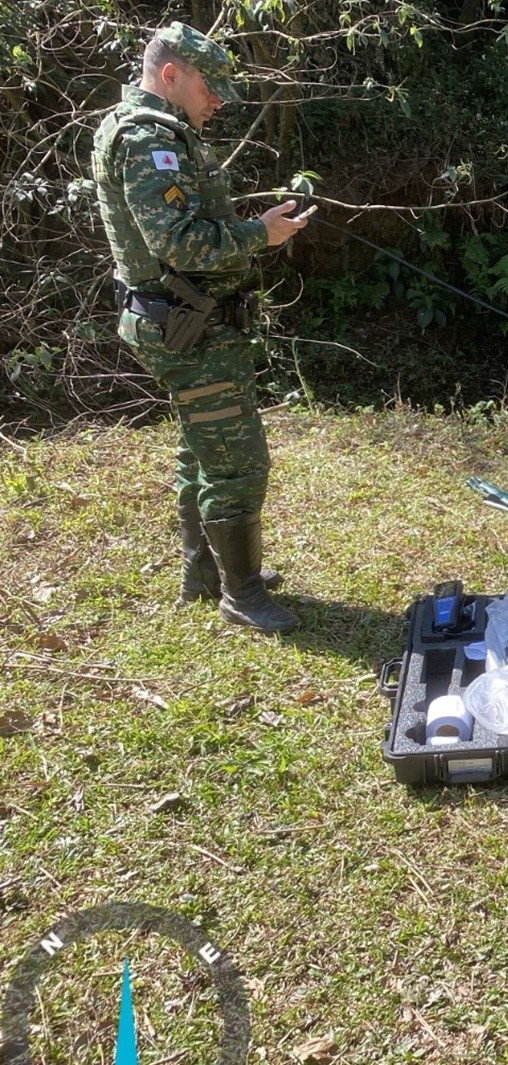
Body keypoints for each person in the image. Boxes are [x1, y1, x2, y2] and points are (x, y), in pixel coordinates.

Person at [90, 22, 311, 632]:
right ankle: (242, 597)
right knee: (238, 463)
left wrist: (255, 226)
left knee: (200, 448)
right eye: (210, 88)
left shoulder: (157, 132)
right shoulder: (145, 138)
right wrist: (258, 235)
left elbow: (176, 232)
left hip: (190, 324)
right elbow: (179, 243)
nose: (217, 102)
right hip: (188, 331)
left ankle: (204, 571)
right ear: (171, 75)